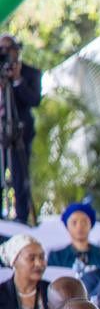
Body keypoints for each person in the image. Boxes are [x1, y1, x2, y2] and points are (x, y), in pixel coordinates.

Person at [0, 35, 41, 224]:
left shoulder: (31, 73)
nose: (5, 53)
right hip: (1, 131)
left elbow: (34, 100)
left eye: (8, 49)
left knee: (20, 175)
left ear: (17, 50)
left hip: (20, 133)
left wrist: (17, 80)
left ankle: (22, 218)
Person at [0, 234, 47, 309]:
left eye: (42, 257)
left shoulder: (53, 291)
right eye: (31, 258)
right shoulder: (2, 294)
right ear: (14, 262)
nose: (39, 264)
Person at [48, 202, 100, 279]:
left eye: (84, 222)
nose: (79, 227)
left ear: (91, 224)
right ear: (67, 225)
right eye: (74, 222)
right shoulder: (56, 257)